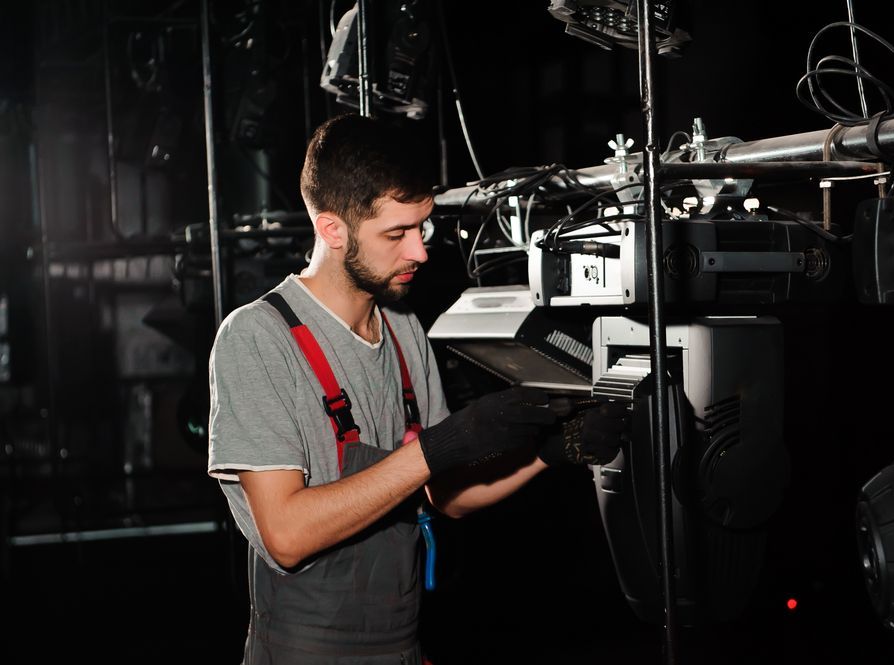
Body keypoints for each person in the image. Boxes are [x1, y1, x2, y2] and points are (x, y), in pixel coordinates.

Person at [207, 112, 630, 665]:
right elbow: (286, 535)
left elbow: (445, 496)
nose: (420, 253)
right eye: (396, 234)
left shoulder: (403, 327)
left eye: (422, 228)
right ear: (332, 230)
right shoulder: (258, 337)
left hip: (403, 644)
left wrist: (551, 451)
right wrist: (441, 446)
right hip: (303, 650)